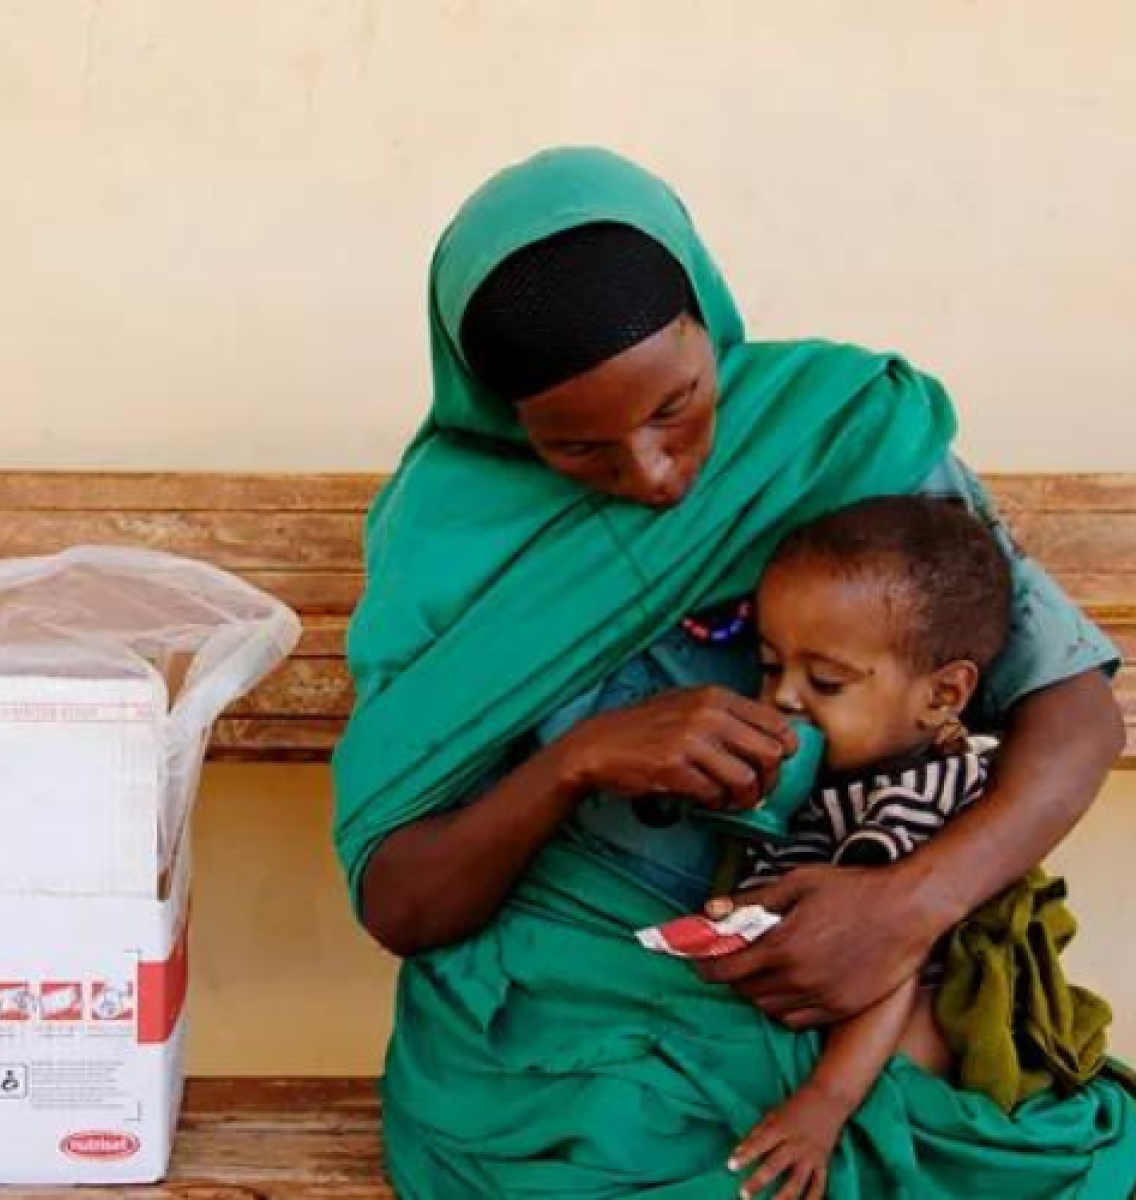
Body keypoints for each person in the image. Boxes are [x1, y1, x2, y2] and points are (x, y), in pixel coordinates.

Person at [333, 148, 1136, 1198]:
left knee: (1005, 1146)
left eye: (676, 406)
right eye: (575, 449)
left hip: (843, 953)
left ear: (709, 320)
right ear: (499, 412)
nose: (655, 475)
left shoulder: (832, 435)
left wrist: (905, 907)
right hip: (569, 992)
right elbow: (405, 904)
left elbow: (1073, 712)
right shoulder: (442, 537)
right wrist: (575, 763)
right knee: (614, 1147)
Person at [704, 495, 1110, 1199]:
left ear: (942, 694)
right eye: (770, 668)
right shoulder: (829, 776)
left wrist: (825, 1104)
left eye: (825, 681)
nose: (786, 698)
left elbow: (889, 954)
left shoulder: (916, 793)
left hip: (899, 1021)